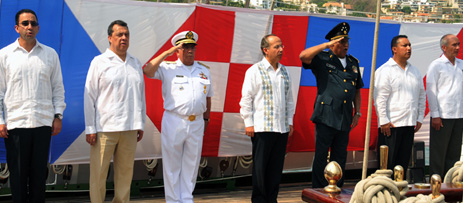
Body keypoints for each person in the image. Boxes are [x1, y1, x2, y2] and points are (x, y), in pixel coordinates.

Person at [0, 9, 66, 202]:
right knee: (18, 176)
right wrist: (0, 121)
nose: (30, 27)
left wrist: (58, 116)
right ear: (16, 27)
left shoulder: (50, 54)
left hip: (42, 124)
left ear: (38, 27)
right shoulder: (4, 55)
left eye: (33, 23)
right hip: (15, 125)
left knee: (39, 176)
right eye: (25, 23)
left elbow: (58, 88)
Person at [143, 31, 213, 203]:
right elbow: (147, 70)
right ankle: (173, 200)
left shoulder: (203, 70)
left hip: (196, 122)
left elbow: (208, 97)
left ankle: (187, 199)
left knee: (192, 163)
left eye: (192, 47)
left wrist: (206, 120)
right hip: (175, 120)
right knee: (172, 164)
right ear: (178, 50)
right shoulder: (168, 68)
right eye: (185, 47)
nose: (190, 50)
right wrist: (167, 52)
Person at [84, 20, 145, 203]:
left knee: (125, 174)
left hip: (129, 127)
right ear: (110, 38)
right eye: (119, 34)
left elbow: (140, 95)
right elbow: (89, 96)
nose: (124, 38)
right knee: (98, 174)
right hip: (104, 128)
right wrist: (90, 128)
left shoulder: (135, 63)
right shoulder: (99, 62)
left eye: (126, 34)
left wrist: (140, 123)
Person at [299, 22, 363, 188]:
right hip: (326, 115)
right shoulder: (322, 58)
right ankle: (319, 189)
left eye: (347, 41)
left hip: (345, 116)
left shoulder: (353, 63)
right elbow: (303, 56)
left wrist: (358, 113)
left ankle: (337, 189)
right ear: (334, 43)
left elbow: (357, 89)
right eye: (342, 42)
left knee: (340, 156)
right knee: (321, 155)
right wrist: (326, 45)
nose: (346, 45)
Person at [239, 34, 295, 203]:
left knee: (275, 170)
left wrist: (290, 122)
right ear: (266, 50)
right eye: (276, 47)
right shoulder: (254, 71)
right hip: (262, 128)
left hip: (281, 128)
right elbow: (246, 99)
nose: (281, 49)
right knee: (261, 170)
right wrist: (248, 123)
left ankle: (272, 200)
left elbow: (289, 99)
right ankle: (259, 200)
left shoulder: (284, 71)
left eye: (281, 46)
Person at [373, 35, 426, 173]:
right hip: (391, 125)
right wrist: (383, 120)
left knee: (402, 165)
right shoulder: (384, 70)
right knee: (387, 165)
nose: (408, 48)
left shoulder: (415, 71)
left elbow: (421, 95)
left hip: (409, 124)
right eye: (405, 45)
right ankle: (385, 192)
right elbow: (380, 98)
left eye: (410, 45)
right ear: (394, 49)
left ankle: (398, 191)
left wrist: (420, 117)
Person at [427, 34, 463, 178]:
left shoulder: (461, 64)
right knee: (438, 154)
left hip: (459, 115)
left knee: (453, 154)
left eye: (458, 44)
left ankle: (450, 185)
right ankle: (436, 186)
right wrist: (435, 115)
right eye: (454, 45)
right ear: (444, 47)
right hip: (442, 116)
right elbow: (431, 90)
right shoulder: (436, 65)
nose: (458, 48)